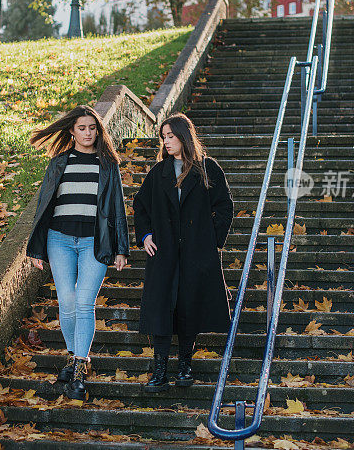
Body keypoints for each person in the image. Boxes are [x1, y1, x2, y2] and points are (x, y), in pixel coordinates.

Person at [26, 105, 130, 401]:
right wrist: (36, 247)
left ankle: (79, 366)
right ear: (71, 131)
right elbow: (44, 207)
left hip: (94, 243)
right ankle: (75, 358)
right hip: (59, 239)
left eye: (92, 128)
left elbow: (117, 209)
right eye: (82, 128)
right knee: (67, 300)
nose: (87, 133)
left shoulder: (108, 165)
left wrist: (121, 248)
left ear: (98, 131)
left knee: (85, 302)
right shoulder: (59, 162)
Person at [133, 113, 233, 391]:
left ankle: (185, 366)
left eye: (170, 136)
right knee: (161, 308)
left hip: (194, 253)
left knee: (189, 306)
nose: (166, 141)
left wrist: (210, 238)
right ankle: (160, 369)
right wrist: (145, 236)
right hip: (163, 253)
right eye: (163, 137)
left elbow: (225, 206)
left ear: (184, 137)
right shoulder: (158, 173)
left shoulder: (207, 169)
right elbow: (140, 207)